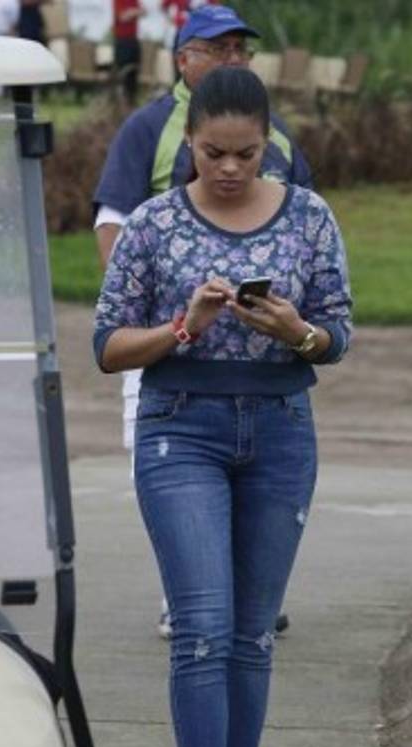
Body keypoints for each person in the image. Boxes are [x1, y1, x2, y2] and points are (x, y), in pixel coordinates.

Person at [93, 65, 353, 747]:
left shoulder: (309, 216)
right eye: (214, 153)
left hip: (280, 431)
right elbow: (107, 346)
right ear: (192, 145)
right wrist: (184, 325)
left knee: (251, 633)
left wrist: (295, 330)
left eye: (246, 153)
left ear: (268, 143)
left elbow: (338, 334)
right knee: (202, 626)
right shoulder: (152, 224)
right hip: (181, 430)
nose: (231, 168)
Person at [94, 2, 310, 639]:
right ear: (183, 59)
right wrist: (141, 313)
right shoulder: (150, 127)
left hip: (262, 358)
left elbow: (306, 222)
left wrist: (297, 321)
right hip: (167, 344)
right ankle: (185, 597)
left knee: (255, 485)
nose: (233, 59)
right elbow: (112, 222)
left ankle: (246, 597)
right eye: (218, 49)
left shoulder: (275, 134)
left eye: (241, 49)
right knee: (173, 477)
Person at [113, 0, 146, 107]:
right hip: (122, 41)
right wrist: (136, 11)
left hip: (133, 40)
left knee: (134, 72)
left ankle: (132, 104)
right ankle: (122, 105)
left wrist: (132, 12)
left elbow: (144, 12)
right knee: (123, 75)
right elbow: (123, 17)